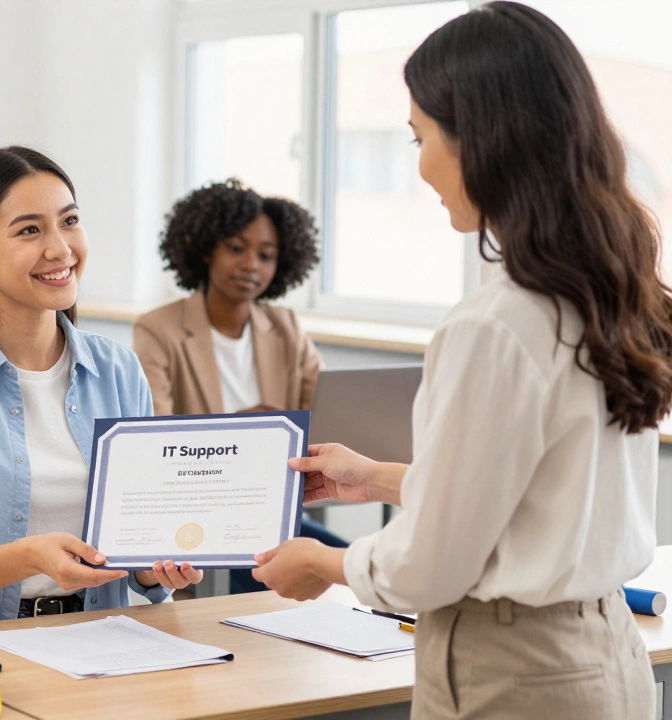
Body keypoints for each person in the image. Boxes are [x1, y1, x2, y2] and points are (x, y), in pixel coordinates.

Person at [252, 4, 670, 717]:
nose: (419, 167)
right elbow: (537, 498)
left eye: (421, 137)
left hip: (512, 669)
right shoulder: (606, 289)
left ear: (482, 138)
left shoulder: (495, 322)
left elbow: (430, 565)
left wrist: (321, 563)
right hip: (604, 655)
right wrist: (378, 478)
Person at [0, 146, 203, 624]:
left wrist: (158, 571)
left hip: (104, 637)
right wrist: (29, 556)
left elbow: (137, 539)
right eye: (30, 230)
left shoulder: (119, 370)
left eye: (69, 221)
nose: (60, 248)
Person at [134, 180, 346, 594]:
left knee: (349, 571)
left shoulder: (286, 328)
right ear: (205, 249)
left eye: (266, 255)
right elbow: (152, 437)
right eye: (236, 248)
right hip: (198, 512)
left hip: (269, 504)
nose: (252, 264)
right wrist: (239, 431)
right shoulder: (158, 330)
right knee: (296, 574)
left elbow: (323, 414)